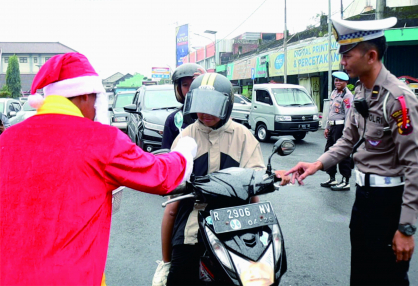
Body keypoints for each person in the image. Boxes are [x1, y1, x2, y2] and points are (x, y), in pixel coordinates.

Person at [0, 52, 198, 286]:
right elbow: (162, 176)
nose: (95, 109)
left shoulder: (8, 138)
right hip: (73, 277)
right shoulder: (99, 140)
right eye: (95, 99)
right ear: (84, 94)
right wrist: (186, 147)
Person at [285, 17, 418, 285]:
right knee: (361, 275)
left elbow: (416, 167)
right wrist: (316, 164)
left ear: (371, 55)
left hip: (389, 203)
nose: (342, 62)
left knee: (390, 278)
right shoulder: (360, 91)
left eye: (347, 55)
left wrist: (406, 228)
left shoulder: (398, 98)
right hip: (363, 199)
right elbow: (347, 141)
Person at [166, 73, 290, 285]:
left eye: (213, 106)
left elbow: (255, 176)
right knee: (178, 269)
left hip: (235, 219)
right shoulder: (185, 136)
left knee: (260, 272)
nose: (205, 113)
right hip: (194, 218)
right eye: (200, 105)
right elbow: (172, 174)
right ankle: (164, 264)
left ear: (227, 105)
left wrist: (269, 180)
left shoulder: (243, 136)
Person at [153, 63, 206, 286]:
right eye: (186, 85)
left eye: (195, 84)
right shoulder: (175, 120)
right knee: (171, 209)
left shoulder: (217, 112)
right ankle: (166, 263)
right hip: (185, 184)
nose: (190, 88)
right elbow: (166, 157)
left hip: (217, 181)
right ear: (178, 89)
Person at [320, 71, 353, 191]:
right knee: (329, 152)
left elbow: (349, 115)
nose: (337, 82)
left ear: (346, 82)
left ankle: (345, 181)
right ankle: (332, 177)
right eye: (336, 80)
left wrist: (347, 132)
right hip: (332, 127)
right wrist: (327, 127)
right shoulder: (334, 93)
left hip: (341, 127)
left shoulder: (347, 95)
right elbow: (331, 112)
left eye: (340, 81)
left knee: (342, 153)